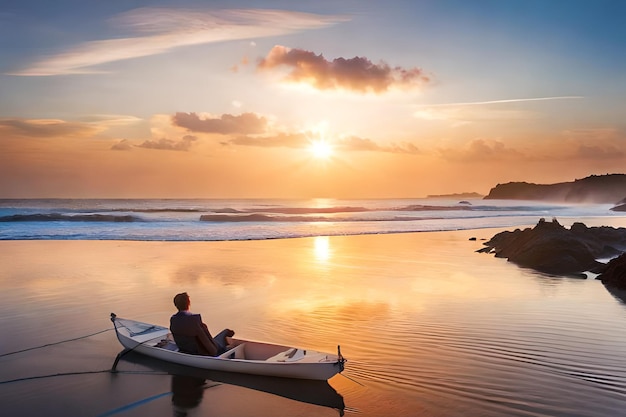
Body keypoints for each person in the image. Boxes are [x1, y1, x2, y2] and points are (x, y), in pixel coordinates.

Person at [170, 292, 235, 356]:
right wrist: (216, 352)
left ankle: (225, 345)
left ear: (176, 305)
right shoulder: (194, 320)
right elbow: (205, 341)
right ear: (189, 303)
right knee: (227, 332)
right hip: (201, 351)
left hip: (185, 350)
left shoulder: (173, 320)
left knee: (220, 337)